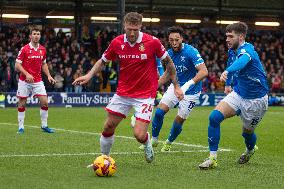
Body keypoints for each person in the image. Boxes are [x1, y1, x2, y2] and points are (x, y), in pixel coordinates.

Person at [73, 12, 183, 163]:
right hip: (123, 93)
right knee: (108, 126)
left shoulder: (153, 42)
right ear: (124, 26)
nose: (132, 33)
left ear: (140, 27)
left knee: (139, 135)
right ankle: (105, 159)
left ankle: (146, 141)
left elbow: (169, 63)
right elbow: (102, 61)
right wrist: (89, 75)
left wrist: (176, 86)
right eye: (129, 29)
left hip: (145, 95)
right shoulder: (117, 42)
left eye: (135, 29)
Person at [199, 22, 269, 169]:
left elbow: (242, 61)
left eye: (231, 36)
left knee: (247, 133)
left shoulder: (248, 50)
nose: (227, 39)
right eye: (226, 36)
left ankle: (250, 149)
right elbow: (232, 62)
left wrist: (227, 71)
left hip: (256, 100)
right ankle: (213, 158)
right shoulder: (232, 51)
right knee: (214, 118)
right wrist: (228, 84)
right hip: (238, 93)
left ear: (241, 37)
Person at [141, 26, 208, 151]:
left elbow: (204, 71)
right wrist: (153, 87)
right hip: (175, 85)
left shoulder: (191, 51)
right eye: (171, 40)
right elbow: (168, 74)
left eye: (177, 39)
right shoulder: (169, 54)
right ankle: (153, 141)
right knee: (159, 112)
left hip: (191, 91)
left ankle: (168, 142)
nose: (174, 42)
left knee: (179, 119)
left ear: (182, 38)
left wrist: (187, 85)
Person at [15, 26, 56, 134]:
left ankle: (44, 125)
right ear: (30, 36)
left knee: (45, 102)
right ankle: (21, 127)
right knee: (22, 103)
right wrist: (27, 74)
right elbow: (17, 65)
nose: (36, 36)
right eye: (34, 34)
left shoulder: (43, 49)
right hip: (24, 80)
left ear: (40, 36)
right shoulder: (24, 49)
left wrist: (48, 75)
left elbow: (44, 64)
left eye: (38, 34)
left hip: (37, 80)